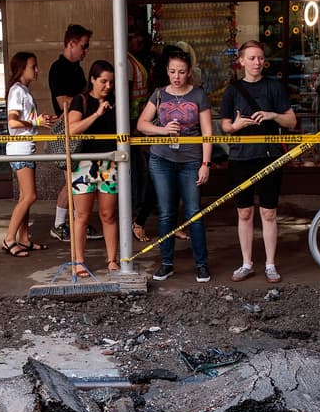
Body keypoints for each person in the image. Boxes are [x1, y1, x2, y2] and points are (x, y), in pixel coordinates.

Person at [220, 40, 297, 284]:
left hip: (269, 156)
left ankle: (271, 264)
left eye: (260, 58)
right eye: (252, 58)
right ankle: (246, 263)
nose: (257, 62)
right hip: (240, 157)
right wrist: (235, 126)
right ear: (241, 61)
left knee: (269, 212)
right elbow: (224, 126)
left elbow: (291, 121)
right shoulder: (232, 90)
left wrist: (273, 115)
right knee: (244, 213)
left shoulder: (274, 87)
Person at [136, 48, 213, 283]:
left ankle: (201, 264)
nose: (176, 76)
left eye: (181, 72)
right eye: (172, 72)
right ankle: (166, 263)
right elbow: (142, 124)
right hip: (161, 160)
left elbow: (208, 132)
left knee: (193, 213)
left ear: (189, 72)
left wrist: (205, 164)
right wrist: (163, 130)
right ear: (167, 72)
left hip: (191, 160)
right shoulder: (159, 94)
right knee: (167, 212)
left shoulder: (198, 95)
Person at [65, 60, 119, 276]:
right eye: (103, 81)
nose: (108, 86)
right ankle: (79, 261)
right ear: (92, 80)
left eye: (111, 82)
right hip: (84, 163)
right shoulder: (81, 100)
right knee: (82, 215)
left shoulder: (116, 101)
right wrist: (97, 113)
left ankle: (112, 259)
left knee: (108, 214)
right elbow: (71, 129)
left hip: (109, 162)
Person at [47, 24, 101, 243]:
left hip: (81, 128)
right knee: (71, 180)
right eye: (83, 46)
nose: (85, 51)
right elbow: (63, 103)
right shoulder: (59, 68)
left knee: (80, 179)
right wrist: (89, 103)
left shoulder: (77, 68)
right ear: (71, 44)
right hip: (69, 129)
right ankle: (60, 224)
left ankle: (78, 220)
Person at [2, 51, 53, 257]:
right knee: (30, 196)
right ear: (22, 68)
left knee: (25, 196)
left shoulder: (23, 90)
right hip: (19, 148)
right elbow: (12, 121)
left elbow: (25, 120)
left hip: (25, 147)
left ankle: (23, 239)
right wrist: (35, 122)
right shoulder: (17, 91)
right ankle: (9, 239)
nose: (37, 70)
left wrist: (40, 121)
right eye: (33, 66)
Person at [126, 26, 158, 244]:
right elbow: (128, 95)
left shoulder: (137, 61)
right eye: (137, 38)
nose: (141, 42)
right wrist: (134, 126)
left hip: (138, 124)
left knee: (144, 174)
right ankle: (135, 220)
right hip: (133, 126)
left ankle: (137, 219)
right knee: (140, 175)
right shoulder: (127, 63)